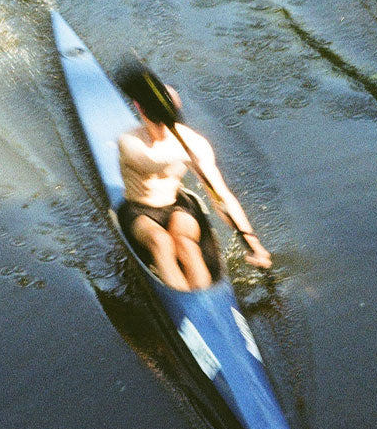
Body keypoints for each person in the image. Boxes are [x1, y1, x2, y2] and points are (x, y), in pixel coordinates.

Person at [115, 77, 272, 291]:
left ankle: (204, 300)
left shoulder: (195, 143)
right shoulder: (129, 141)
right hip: (138, 210)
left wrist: (255, 245)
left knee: (186, 244)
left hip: (177, 205)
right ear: (139, 107)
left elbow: (222, 198)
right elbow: (151, 163)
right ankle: (181, 299)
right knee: (161, 241)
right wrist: (185, 152)